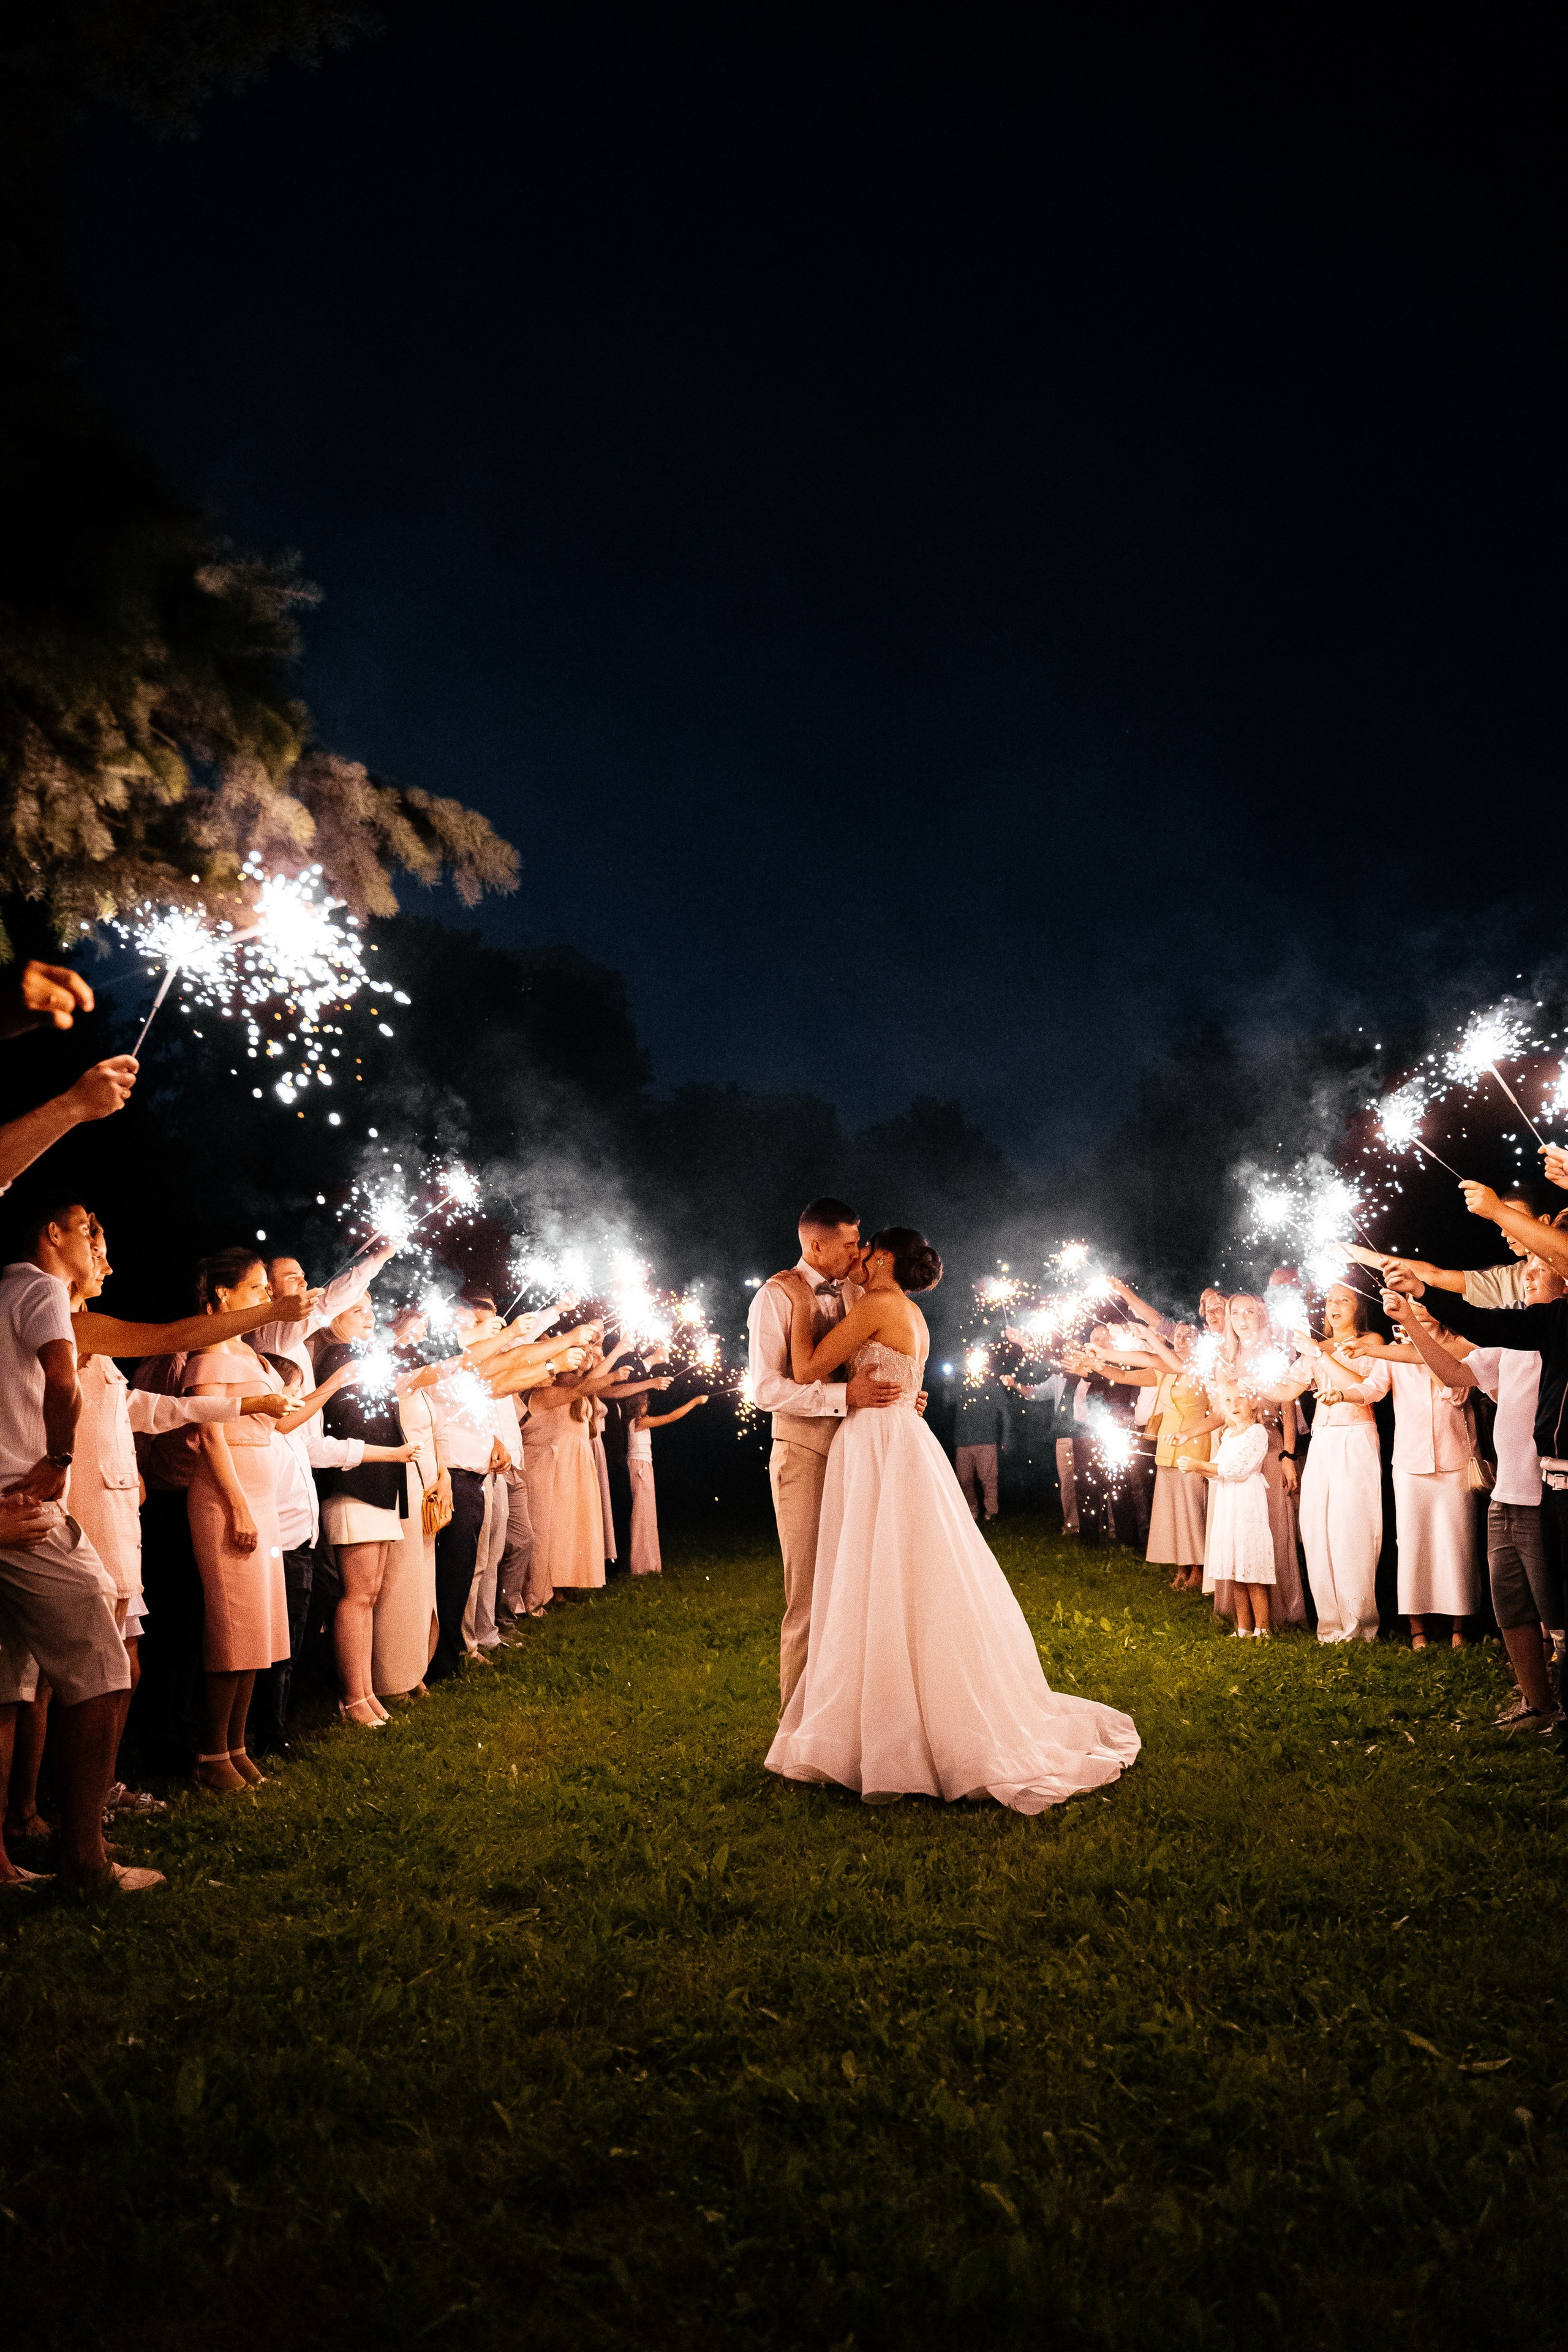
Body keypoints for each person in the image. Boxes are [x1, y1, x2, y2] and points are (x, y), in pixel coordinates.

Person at [764, 1227, 1139, 1811]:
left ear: (883, 1256)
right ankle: (890, 1706)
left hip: (876, 1443)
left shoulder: (879, 1306)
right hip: (906, 1440)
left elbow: (809, 1367)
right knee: (909, 1570)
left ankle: (886, 1723)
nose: (856, 1259)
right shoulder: (907, 1311)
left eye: (865, 1251)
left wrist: (793, 1301)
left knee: (877, 1568)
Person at [0, 1203, 157, 1892]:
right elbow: (63, 1384)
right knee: (101, 1668)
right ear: (50, 1234)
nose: (97, 1241)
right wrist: (58, 1457)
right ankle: (85, 1858)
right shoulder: (38, 1286)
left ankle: (3, 1863)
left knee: (6, 1690)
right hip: (25, 1509)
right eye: (86, 1227)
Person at [1379, 1265, 1564, 1727]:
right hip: (1506, 1493)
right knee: (1512, 1606)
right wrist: (1414, 1321)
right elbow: (1454, 1373)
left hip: (1548, 1494)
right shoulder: (1515, 1342)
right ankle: (1537, 1704)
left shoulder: (1557, 1340)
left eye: (1543, 1269)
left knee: (1557, 1614)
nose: (1530, 1277)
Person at [181, 1250, 336, 1791]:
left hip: (264, 1497)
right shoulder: (207, 1356)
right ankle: (210, 1753)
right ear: (223, 1296)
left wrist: (335, 1386)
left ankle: (237, 1745)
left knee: (262, 1631)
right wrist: (239, 1504)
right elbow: (209, 1434)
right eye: (256, 1289)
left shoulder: (253, 1358)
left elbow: (285, 1420)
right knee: (233, 1629)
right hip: (228, 1499)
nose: (266, 1298)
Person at [745, 1197, 902, 1708]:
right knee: (809, 1596)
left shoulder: (862, 1293)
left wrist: (900, 1389)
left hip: (863, 1455)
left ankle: (850, 1717)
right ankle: (795, 1728)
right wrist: (843, 1397)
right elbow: (764, 1389)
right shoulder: (776, 1297)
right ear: (816, 1244)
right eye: (850, 1242)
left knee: (861, 1587)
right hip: (805, 1454)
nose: (859, 1250)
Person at [312, 1296, 416, 1727]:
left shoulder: (362, 1359)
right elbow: (346, 1421)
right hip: (354, 1485)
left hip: (378, 1484)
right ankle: (353, 1697)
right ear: (334, 1316)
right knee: (356, 1596)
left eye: (372, 1308)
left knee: (370, 1595)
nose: (371, 1316)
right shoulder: (337, 1358)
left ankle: (367, 1691)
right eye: (358, 1310)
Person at [1343, 1325, 1480, 1648]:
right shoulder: (1392, 1351)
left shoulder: (1460, 1344)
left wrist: (1424, 1352)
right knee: (1412, 1546)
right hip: (1408, 1462)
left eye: (1421, 1305)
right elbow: (1372, 1389)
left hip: (1455, 1458)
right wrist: (1341, 1396)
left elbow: (1458, 1394)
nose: (1416, 1311)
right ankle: (1417, 1629)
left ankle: (1459, 1628)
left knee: (1458, 1546)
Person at [1270, 1284, 1390, 1643]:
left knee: (1351, 1529)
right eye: (1329, 1300)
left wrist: (1318, 1356)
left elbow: (1367, 1387)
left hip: (1355, 1437)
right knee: (1317, 1528)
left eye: (1344, 1300)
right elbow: (1284, 1393)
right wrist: (1242, 1375)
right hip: (1322, 1440)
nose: (1334, 1305)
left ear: (1359, 1309)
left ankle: (1360, 1627)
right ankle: (1330, 1626)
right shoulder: (1315, 1349)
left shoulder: (1370, 1341)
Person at [1182, 1383, 1274, 1634]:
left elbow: (1236, 1470)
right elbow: (1218, 1470)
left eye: (1240, 1399)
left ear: (1253, 1403)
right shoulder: (1227, 1436)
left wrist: (1199, 1464)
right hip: (1227, 1504)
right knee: (1234, 1568)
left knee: (1251, 1567)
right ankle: (1243, 1628)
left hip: (1246, 1504)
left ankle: (1263, 1629)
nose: (1234, 1405)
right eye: (1228, 1400)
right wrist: (1195, 1467)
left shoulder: (1257, 1433)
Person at [627, 1390, 709, 1574]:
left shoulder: (636, 1422)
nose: (648, 1406)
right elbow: (671, 1417)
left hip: (643, 1466)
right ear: (640, 1405)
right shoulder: (639, 1422)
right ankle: (641, 1567)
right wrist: (694, 1401)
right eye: (645, 1403)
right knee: (642, 1514)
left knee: (647, 1514)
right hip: (640, 1467)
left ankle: (649, 1564)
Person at [952, 1372, 1008, 1523]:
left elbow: (1005, 1411)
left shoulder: (992, 1385)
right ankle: (972, 1511)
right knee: (964, 1479)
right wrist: (948, 1383)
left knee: (988, 1479)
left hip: (986, 1439)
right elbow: (947, 1401)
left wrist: (1006, 1436)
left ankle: (992, 1512)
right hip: (963, 1440)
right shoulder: (961, 1385)